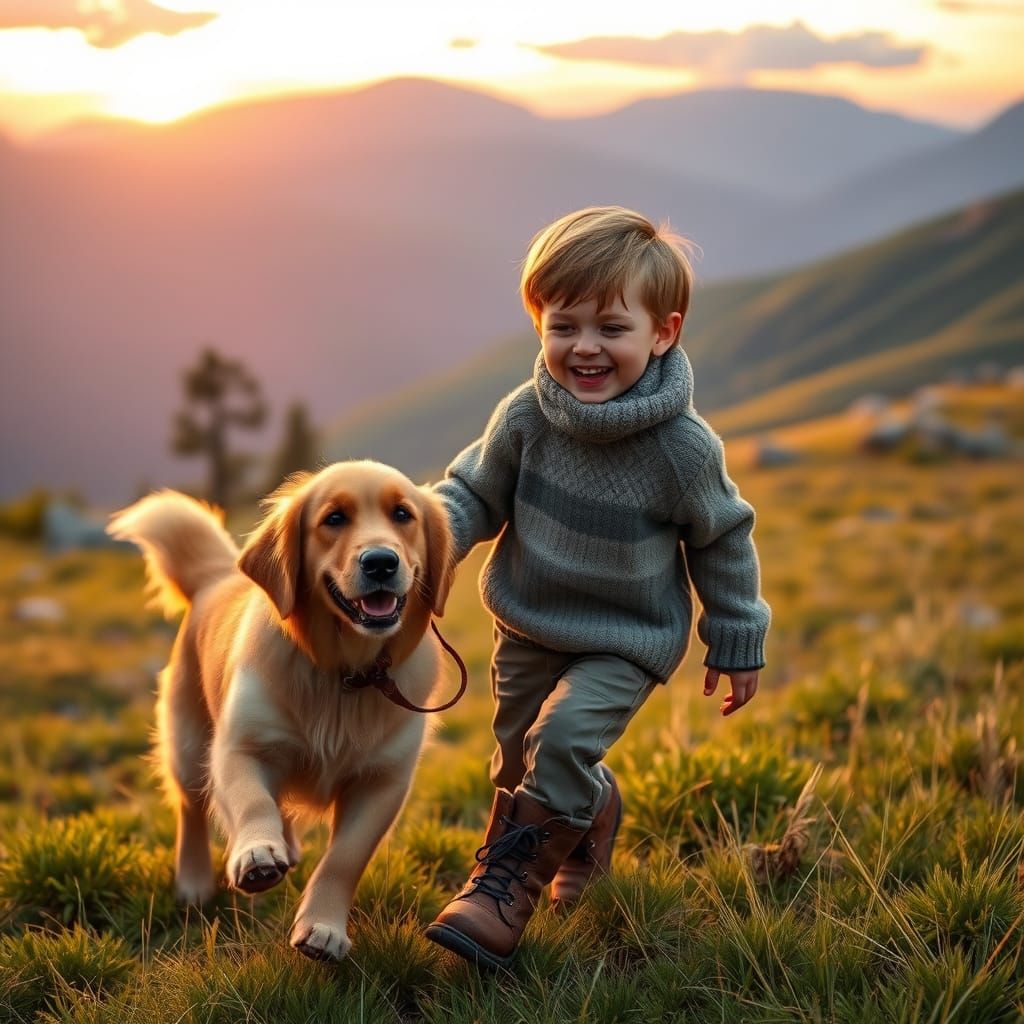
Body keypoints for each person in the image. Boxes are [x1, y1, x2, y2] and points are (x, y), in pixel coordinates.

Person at [423, 206, 771, 970]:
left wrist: (737, 635)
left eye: (612, 328)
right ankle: (595, 814)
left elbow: (722, 538)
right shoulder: (525, 416)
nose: (584, 347)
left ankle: (501, 892)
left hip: (626, 638)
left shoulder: (682, 449)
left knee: (564, 740)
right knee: (515, 764)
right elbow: (473, 493)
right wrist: (422, 542)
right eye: (563, 325)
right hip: (529, 626)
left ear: (663, 332)